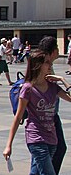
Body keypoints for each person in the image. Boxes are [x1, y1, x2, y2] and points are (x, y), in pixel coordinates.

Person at [3, 50, 71, 174]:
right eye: (47, 63)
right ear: (37, 66)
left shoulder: (53, 87)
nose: (50, 65)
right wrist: (9, 145)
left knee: (35, 173)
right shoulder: (28, 89)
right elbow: (18, 118)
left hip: (52, 139)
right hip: (36, 138)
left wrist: (62, 79)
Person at [39, 36, 69, 174]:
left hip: (50, 115)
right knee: (54, 149)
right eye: (57, 48)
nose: (59, 51)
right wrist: (63, 81)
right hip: (45, 116)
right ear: (52, 51)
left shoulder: (46, 65)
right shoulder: (44, 67)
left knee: (51, 150)